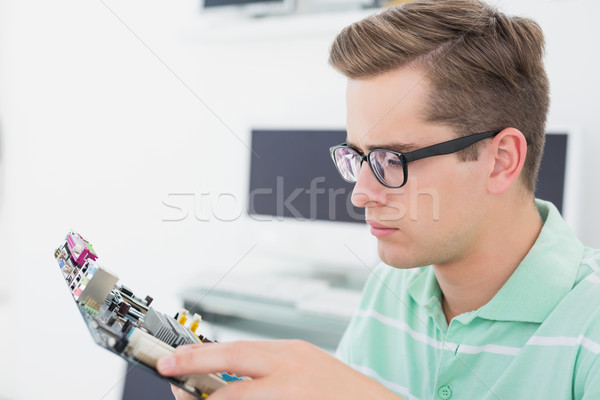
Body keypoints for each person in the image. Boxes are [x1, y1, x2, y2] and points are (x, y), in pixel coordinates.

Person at [157, 0, 600, 398]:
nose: (360, 195)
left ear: (501, 160)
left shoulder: (590, 327)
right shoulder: (392, 289)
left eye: (393, 159)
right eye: (359, 157)